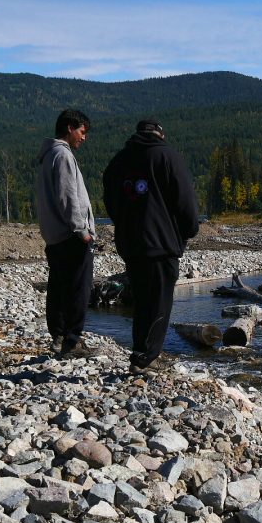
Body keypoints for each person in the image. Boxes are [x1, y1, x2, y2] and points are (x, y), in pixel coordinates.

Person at [103, 119, 199, 374]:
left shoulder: (118, 161)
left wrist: (124, 224)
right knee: (159, 300)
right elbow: (185, 199)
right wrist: (189, 230)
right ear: (160, 134)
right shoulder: (167, 156)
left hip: (130, 243)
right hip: (162, 242)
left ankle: (139, 351)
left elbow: (109, 200)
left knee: (142, 299)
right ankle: (146, 357)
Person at [35, 109, 97, 358]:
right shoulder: (63, 155)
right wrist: (82, 230)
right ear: (70, 128)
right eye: (82, 132)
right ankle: (72, 340)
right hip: (70, 234)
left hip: (54, 235)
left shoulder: (49, 154)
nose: (84, 138)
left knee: (59, 286)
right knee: (78, 288)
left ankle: (59, 337)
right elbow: (69, 196)